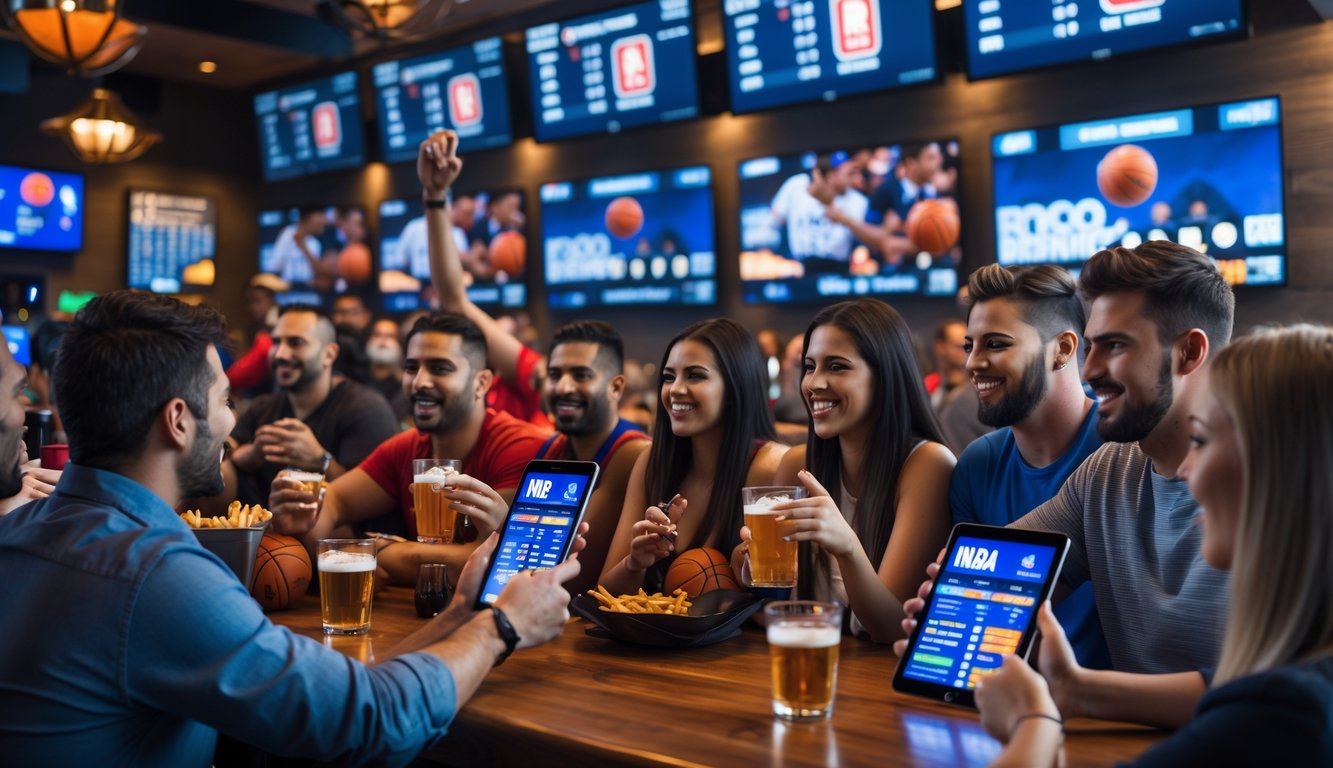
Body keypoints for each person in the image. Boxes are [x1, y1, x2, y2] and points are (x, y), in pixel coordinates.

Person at [0, 291, 583, 766]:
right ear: (178, 422)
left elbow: (341, 693)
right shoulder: (156, 576)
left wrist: (462, 616)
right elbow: (370, 724)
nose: (232, 421)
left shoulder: (22, 531)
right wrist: (503, 627)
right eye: (224, 400)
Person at [897, 241, 1236, 730]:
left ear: (1189, 351)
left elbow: (1286, 689)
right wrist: (947, 620)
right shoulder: (1106, 473)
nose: (1091, 370)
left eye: (1115, 345)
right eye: (1092, 345)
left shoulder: (1279, 476)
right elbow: (989, 587)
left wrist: (1080, 691)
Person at [974, 325, 1333, 766]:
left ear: (1280, 467)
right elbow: (1000, 565)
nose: (1186, 469)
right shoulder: (1296, 686)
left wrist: (1033, 721)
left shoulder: (1289, 710)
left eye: (1200, 440)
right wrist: (1073, 687)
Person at [271, 312, 550, 583]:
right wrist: (300, 517)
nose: (419, 382)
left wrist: (383, 551)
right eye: (411, 368)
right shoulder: (406, 447)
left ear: (481, 383)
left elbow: (483, 563)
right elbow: (330, 503)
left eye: (440, 368)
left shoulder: (518, 448)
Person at [762, 299, 954, 643]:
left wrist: (847, 546)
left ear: (884, 377)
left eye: (836, 367)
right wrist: (746, 567)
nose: (814, 383)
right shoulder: (796, 464)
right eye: (810, 366)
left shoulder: (927, 465)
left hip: (881, 678)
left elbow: (892, 626)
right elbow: (776, 601)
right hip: (809, 660)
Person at [950, 264, 1110, 669]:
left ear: (1063, 349)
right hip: (998, 689)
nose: (973, 363)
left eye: (996, 345)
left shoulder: (1120, 450)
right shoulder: (977, 463)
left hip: (1112, 710)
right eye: (969, 346)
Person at [600, 318, 788, 595]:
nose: (675, 389)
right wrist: (634, 564)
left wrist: (743, 573)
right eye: (668, 377)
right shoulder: (652, 462)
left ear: (737, 386)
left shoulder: (770, 466)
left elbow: (782, 598)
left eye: (695, 375)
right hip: (656, 637)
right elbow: (606, 594)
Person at [418, 131, 548, 427]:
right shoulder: (448, 399)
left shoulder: (531, 381)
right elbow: (454, 300)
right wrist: (435, 198)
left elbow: (454, 301)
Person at [227, 304, 397, 507]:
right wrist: (249, 454)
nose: (280, 353)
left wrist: (321, 461)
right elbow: (220, 457)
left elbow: (374, 497)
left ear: (329, 354)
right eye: (276, 342)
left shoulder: (367, 409)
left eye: (295, 342)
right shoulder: (264, 407)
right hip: (266, 534)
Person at [532, 320, 651, 594]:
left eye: (581, 375)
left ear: (616, 387)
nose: (563, 387)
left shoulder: (633, 453)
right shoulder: (552, 448)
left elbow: (576, 568)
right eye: (554, 375)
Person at [769, 151, 878, 274]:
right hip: (799, 268)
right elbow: (772, 224)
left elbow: (871, 244)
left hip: (837, 269)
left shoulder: (858, 201)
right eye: (850, 174)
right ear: (830, 175)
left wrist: (844, 219)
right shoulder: (796, 185)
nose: (858, 179)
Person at [866, 142, 946, 267]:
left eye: (939, 156)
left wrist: (899, 243)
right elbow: (870, 237)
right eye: (931, 158)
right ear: (911, 164)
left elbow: (941, 245)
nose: (939, 163)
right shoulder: (886, 190)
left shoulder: (936, 195)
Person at [268, 206, 328, 287]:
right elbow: (275, 268)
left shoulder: (315, 244)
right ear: (306, 218)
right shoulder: (287, 234)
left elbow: (320, 278)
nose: (325, 221)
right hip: (287, 294)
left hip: (310, 295)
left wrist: (302, 245)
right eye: (321, 215)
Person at [366, 317, 411, 423]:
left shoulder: (406, 385)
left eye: (390, 336)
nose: (383, 340)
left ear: (400, 343)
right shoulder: (356, 379)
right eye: (377, 335)